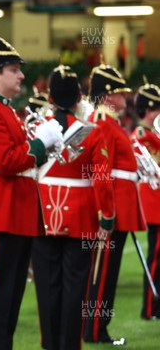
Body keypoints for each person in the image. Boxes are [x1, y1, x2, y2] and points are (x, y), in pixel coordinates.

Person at [0, 30, 63, 349]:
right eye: (14, 69)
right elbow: (7, 161)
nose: (21, 75)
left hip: (17, 214)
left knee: (10, 299)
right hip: (2, 214)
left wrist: (42, 146)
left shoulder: (6, 109)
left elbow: (19, 159)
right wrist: (41, 143)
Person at [33, 64, 115, 350]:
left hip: (43, 216)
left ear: (50, 98)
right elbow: (102, 179)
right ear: (79, 96)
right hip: (81, 218)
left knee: (46, 287)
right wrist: (107, 218)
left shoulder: (37, 127)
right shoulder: (92, 131)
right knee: (76, 288)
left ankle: (50, 343)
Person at [83, 58, 147, 345]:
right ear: (108, 95)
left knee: (109, 273)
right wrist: (104, 213)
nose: (125, 97)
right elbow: (101, 170)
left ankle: (99, 327)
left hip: (121, 202)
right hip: (113, 206)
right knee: (103, 273)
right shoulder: (103, 122)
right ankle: (95, 329)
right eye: (120, 92)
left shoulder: (113, 122)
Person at [130, 79, 160, 320]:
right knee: (156, 259)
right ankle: (150, 309)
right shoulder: (143, 135)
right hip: (155, 204)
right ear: (150, 111)